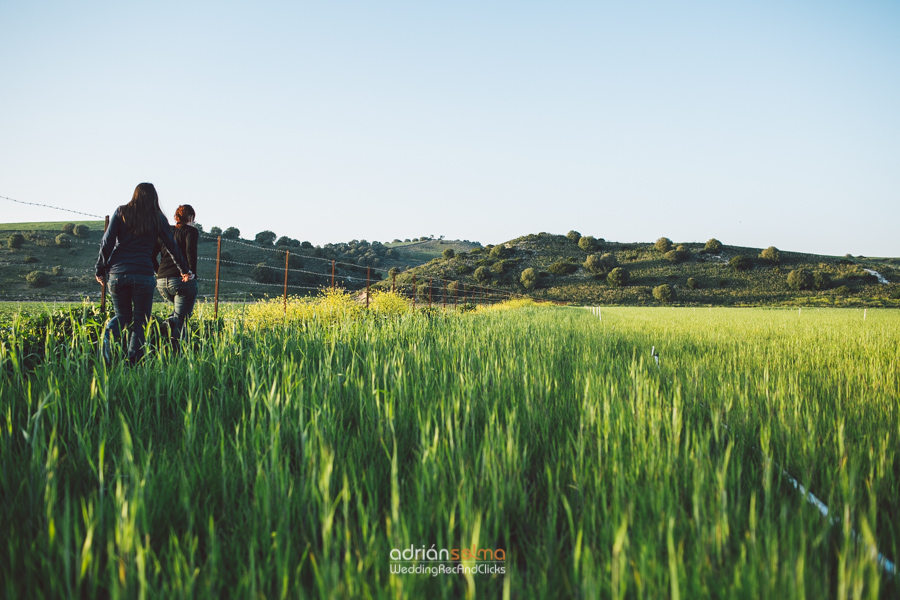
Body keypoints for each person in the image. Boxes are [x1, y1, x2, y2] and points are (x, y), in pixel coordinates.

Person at [95, 183, 194, 364]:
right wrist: (184, 270)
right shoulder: (158, 218)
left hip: (118, 273)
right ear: (154, 198)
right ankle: (132, 363)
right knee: (141, 321)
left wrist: (100, 269)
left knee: (123, 317)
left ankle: (109, 334)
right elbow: (171, 247)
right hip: (143, 273)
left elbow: (107, 242)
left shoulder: (121, 212)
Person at [154, 204, 199, 349]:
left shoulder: (166, 231)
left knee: (179, 312)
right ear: (191, 217)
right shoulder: (191, 231)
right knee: (181, 320)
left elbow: (151, 255)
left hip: (162, 281)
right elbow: (190, 252)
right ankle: (176, 352)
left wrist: (159, 271)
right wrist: (192, 273)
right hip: (181, 281)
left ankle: (167, 325)